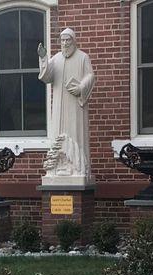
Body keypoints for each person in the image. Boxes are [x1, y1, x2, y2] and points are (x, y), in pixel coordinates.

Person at [38, 28, 95, 184]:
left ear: (73, 41)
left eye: (67, 40)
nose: (65, 43)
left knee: (75, 134)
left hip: (75, 106)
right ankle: (58, 166)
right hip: (58, 105)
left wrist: (81, 88)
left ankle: (77, 167)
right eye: (62, 40)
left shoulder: (83, 57)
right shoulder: (56, 58)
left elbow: (90, 76)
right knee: (58, 136)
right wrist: (43, 58)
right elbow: (46, 76)